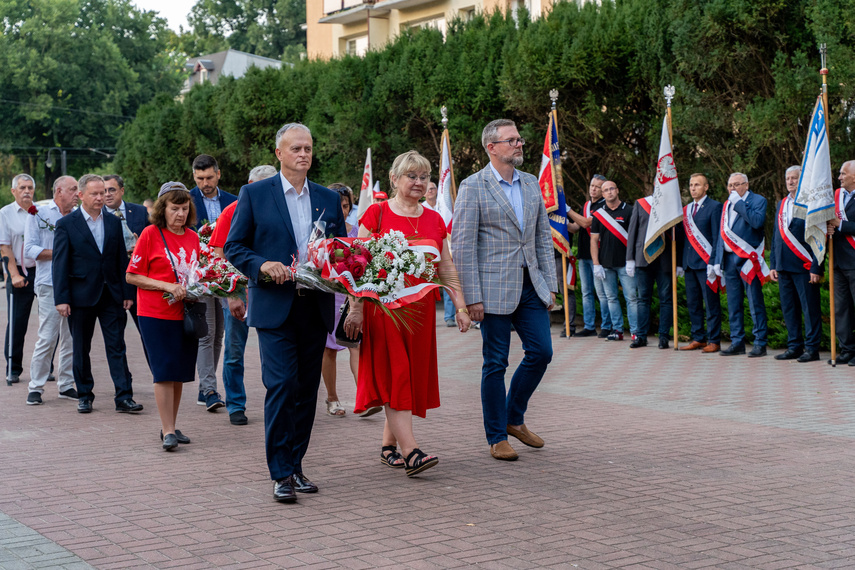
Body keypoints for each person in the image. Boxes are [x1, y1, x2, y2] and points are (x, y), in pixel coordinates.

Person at [225, 123, 347, 504]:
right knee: (281, 386)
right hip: (274, 308)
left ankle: (295, 465)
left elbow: (343, 251)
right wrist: (261, 265)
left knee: (306, 391)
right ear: (279, 154)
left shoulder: (327, 198)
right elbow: (234, 246)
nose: (304, 154)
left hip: (315, 306)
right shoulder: (255, 194)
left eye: (308, 148)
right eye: (296, 148)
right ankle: (279, 473)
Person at [345, 151, 470, 474]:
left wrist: (460, 306)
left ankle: (389, 446)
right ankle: (411, 451)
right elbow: (357, 266)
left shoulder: (434, 219)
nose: (418, 182)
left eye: (424, 177)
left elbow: (445, 265)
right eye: (411, 176)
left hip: (422, 314)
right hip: (384, 312)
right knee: (396, 375)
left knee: (408, 379)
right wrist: (355, 310)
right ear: (395, 179)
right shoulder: (376, 214)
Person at [453, 119, 557, 461]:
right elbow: (464, 246)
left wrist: (549, 284)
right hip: (493, 289)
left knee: (542, 352)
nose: (519, 144)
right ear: (491, 147)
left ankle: (514, 417)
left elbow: (542, 236)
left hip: (530, 286)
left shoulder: (529, 183)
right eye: (511, 140)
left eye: (519, 139)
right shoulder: (473, 186)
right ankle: (497, 436)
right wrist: (472, 298)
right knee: (495, 363)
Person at [52, 174, 142, 414]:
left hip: (111, 294)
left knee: (117, 346)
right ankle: (84, 394)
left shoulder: (113, 222)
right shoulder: (66, 224)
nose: (101, 197)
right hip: (80, 296)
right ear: (81, 195)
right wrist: (61, 299)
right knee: (81, 347)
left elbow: (120, 259)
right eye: (95, 193)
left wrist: (126, 292)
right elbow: (59, 265)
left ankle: (124, 396)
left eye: (103, 192)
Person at [126, 182, 201, 450]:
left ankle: (171, 424)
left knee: (179, 372)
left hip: (186, 313)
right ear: (163, 209)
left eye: (184, 208)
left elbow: (197, 272)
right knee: (163, 371)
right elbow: (132, 275)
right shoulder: (150, 234)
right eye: (174, 208)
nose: (180, 214)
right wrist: (167, 286)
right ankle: (167, 430)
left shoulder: (193, 237)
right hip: (155, 313)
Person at [209, 164, 277, 426]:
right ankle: (236, 403)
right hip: (239, 289)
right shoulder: (232, 211)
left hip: (270, 290)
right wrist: (232, 294)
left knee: (272, 349)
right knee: (235, 350)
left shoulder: (278, 211)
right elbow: (219, 255)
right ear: (249, 185)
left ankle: (278, 401)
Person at [320, 183, 376, 418]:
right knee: (329, 349)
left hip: (352, 298)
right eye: (337, 205)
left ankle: (364, 398)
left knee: (356, 345)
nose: (342, 210)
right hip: (326, 296)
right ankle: (332, 398)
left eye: (345, 206)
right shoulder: (319, 234)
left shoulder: (357, 233)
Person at [23, 176, 78, 405]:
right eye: (73, 189)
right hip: (49, 283)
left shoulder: (78, 216)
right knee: (47, 336)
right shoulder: (39, 214)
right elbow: (29, 249)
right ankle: (36, 386)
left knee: (71, 338)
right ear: (59, 191)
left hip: (76, 283)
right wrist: (60, 252)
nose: (78, 193)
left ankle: (66, 384)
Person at [189, 154, 237, 411]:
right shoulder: (188, 200)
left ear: (218, 174)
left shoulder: (233, 200)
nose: (205, 183)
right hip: (201, 274)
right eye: (199, 179)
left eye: (209, 177)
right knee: (206, 332)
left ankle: (205, 387)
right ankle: (208, 388)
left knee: (220, 334)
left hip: (228, 274)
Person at [770, 165, 823, 363]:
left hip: (805, 266)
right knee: (789, 309)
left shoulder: (811, 203)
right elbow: (776, 235)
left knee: (809, 309)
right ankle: (794, 346)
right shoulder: (782, 204)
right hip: (783, 266)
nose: (790, 181)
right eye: (787, 178)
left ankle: (812, 348)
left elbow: (819, 237)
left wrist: (816, 267)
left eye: (794, 178)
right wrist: (773, 264)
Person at [713, 172, 769, 357]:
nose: (732, 189)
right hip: (729, 260)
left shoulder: (758, 200)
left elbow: (756, 222)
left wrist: (738, 203)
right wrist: (717, 260)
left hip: (747, 259)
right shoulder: (727, 204)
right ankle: (737, 341)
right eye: (730, 185)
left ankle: (760, 342)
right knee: (733, 303)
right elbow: (721, 234)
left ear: (746, 184)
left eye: (736, 184)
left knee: (754, 302)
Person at [103, 174, 151, 375]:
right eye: (103, 191)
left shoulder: (140, 212)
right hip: (113, 284)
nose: (107, 195)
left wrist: (140, 247)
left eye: (111, 190)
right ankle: (123, 382)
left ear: (122, 190)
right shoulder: (99, 217)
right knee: (115, 338)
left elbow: (154, 242)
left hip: (139, 282)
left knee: (148, 334)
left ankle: (159, 376)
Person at [625, 191, 679, 349]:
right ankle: (641, 336)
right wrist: (630, 258)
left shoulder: (671, 205)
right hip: (644, 258)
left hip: (665, 258)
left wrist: (679, 261)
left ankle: (663, 337)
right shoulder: (641, 204)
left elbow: (678, 233)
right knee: (643, 299)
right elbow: (633, 232)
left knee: (666, 299)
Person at [0, 174, 37, 385]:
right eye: (22, 187)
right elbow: (5, 247)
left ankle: (45, 367)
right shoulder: (5, 214)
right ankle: (13, 367)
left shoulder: (40, 213)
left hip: (40, 271)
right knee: (17, 321)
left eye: (30, 187)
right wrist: (13, 274)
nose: (27, 191)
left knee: (49, 321)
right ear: (13, 191)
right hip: (19, 272)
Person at [590, 181, 639, 342]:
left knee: (631, 298)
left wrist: (632, 259)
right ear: (602, 195)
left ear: (617, 190)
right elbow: (594, 240)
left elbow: (634, 237)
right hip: (605, 264)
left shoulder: (629, 210)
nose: (609, 192)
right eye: (606, 190)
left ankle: (636, 332)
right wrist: (596, 263)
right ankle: (617, 330)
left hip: (626, 263)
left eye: (612, 189)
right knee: (611, 298)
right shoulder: (598, 214)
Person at [680, 174, 724, 353]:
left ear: (706, 187)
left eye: (697, 185)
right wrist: (680, 264)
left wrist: (714, 263)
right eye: (691, 185)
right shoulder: (687, 209)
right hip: (690, 264)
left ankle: (714, 340)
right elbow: (684, 240)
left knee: (711, 303)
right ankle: (698, 337)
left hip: (706, 265)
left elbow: (716, 237)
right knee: (693, 303)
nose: (693, 188)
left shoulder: (714, 207)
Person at [567, 175, 610, 337]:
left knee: (601, 292)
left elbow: (586, 223)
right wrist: (558, 218)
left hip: (598, 256)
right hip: (584, 255)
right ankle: (589, 326)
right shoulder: (586, 205)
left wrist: (568, 210)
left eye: (597, 187)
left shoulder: (604, 206)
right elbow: (575, 227)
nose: (593, 189)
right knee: (586, 292)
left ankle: (606, 325)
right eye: (592, 185)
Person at [827, 160, 855, 365]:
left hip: (854, 260)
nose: (839, 177)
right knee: (841, 309)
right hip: (837, 261)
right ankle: (847, 350)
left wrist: (840, 224)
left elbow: (844, 224)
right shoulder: (835, 196)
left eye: (843, 174)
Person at [423, 180, 456, 327]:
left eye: (433, 188)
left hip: (446, 246)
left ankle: (452, 315)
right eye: (428, 189)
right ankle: (445, 315)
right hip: (427, 252)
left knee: (449, 279)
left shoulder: (444, 206)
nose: (431, 191)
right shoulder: (420, 208)